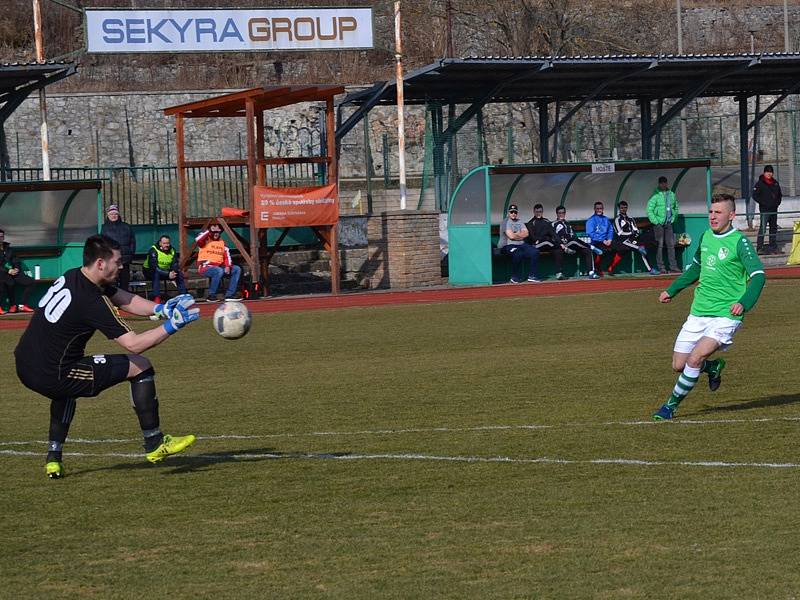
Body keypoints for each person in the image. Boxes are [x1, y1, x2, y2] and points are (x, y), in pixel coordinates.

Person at [14, 234, 200, 478]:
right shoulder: (91, 300)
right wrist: (172, 326)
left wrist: (161, 309)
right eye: (118, 262)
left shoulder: (74, 275)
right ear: (101, 263)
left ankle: (53, 458)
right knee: (140, 366)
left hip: (25, 363)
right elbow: (133, 344)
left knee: (66, 388)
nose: (121, 266)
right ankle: (154, 443)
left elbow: (123, 297)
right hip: (54, 372)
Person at [651, 193, 765, 421]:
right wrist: (671, 290)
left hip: (725, 315)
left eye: (718, 212)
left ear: (731, 215)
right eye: (711, 212)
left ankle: (670, 406)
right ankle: (712, 367)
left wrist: (743, 303)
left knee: (694, 359)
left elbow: (759, 276)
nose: (712, 217)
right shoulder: (705, 237)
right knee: (678, 364)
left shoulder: (739, 242)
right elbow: (695, 269)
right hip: (698, 312)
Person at [609, 201, 660, 276]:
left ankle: (650, 269)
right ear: (619, 209)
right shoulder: (617, 219)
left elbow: (635, 229)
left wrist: (636, 233)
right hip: (623, 240)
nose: (623, 209)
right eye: (622, 208)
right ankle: (610, 267)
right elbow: (619, 233)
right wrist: (631, 233)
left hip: (633, 239)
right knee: (639, 248)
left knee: (644, 247)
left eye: (625, 207)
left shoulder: (630, 218)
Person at [195, 223, 242, 301]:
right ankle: (211, 295)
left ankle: (230, 294)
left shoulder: (222, 242)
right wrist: (209, 231)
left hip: (219, 267)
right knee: (218, 270)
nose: (216, 233)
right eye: (214, 232)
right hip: (205, 267)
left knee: (237, 269)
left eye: (218, 232)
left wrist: (228, 266)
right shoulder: (205, 239)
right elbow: (198, 239)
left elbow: (227, 256)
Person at [553, 206, 599, 279]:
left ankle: (591, 272)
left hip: (573, 243)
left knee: (587, 250)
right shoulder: (555, 224)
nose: (561, 214)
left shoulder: (567, 224)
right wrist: (562, 246)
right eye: (560, 213)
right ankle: (591, 246)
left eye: (563, 213)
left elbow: (574, 236)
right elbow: (555, 236)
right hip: (564, 245)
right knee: (573, 241)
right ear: (557, 214)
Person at [497, 204, 540, 283]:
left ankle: (532, 275)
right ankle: (514, 277)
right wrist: (520, 234)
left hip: (521, 244)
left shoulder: (519, 221)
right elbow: (511, 236)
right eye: (512, 212)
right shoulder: (505, 222)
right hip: (507, 246)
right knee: (518, 254)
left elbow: (526, 233)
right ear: (508, 213)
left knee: (535, 252)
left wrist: (516, 234)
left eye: (515, 212)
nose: (513, 214)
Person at [646, 176, 680, 274]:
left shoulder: (672, 194)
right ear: (659, 184)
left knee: (671, 245)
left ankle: (673, 267)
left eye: (665, 183)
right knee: (659, 246)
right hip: (659, 224)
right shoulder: (655, 195)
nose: (663, 185)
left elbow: (676, 207)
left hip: (669, 223)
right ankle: (661, 267)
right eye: (661, 183)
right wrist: (656, 222)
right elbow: (649, 210)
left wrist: (673, 218)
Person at [100, 204, 136, 291]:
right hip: (111, 259)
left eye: (115, 214)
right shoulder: (104, 228)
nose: (113, 216)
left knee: (124, 281)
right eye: (111, 214)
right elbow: (103, 242)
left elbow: (132, 241)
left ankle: (125, 301)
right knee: (112, 280)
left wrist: (131, 253)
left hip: (125, 259)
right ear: (108, 216)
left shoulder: (126, 226)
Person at [143, 235, 187, 303]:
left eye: (168, 243)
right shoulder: (153, 250)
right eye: (164, 243)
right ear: (160, 243)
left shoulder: (172, 250)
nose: (167, 245)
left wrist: (173, 272)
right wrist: (168, 274)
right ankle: (157, 297)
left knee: (179, 274)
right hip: (149, 271)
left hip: (165, 271)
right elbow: (154, 267)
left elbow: (175, 264)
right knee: (156, 274)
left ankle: (184, 295)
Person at [525, 203, 565, 279]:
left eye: (540, 211)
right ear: (534, 212)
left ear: (542, 212)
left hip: (548, 244)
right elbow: (533, 237)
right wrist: (540, 239)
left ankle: (559, 272)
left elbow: (553, 234)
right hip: (537, 245)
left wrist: (560, 243)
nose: (538, 213)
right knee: (546, 240)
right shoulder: (531, 223)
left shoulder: (546, 221)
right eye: (537, 211)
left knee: (558, 250)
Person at [0, 228, 35, 314]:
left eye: (1, 236)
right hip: (2, 273)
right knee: (7, 283)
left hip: (13, 273)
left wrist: (16, 268)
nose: (0, 238)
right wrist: (7, 271)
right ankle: (12, 305)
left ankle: (22, 305)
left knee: (31, 282)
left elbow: (16, 259)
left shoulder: (8, 248)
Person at [752, 164, 782, 255]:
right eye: (767, 172)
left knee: (773, 228)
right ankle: (759, 247)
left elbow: (780, 195)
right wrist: (764, 203)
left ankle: (773, 246)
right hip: (765, 210)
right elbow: (755, 196)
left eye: (771, 172)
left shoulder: (775, 183)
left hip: (774, 209)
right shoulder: (760, 183)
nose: (769, 174)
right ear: (764, 173)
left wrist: (777, 203)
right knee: (763, 228)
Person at [585, 201, 615, 276]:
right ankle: (597, 268)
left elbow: (610, 230)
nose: (599, 210)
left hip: (606, 241)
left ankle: (610, 267)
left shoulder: (606, 219)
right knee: (602, 250)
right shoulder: (591, 220)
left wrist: (610, 239)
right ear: (594, 209)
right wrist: (602, 240)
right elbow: (591, 233)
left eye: (600, 208)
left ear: (603, 209)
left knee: (618, 247)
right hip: (596, 242)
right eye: (597, 208)